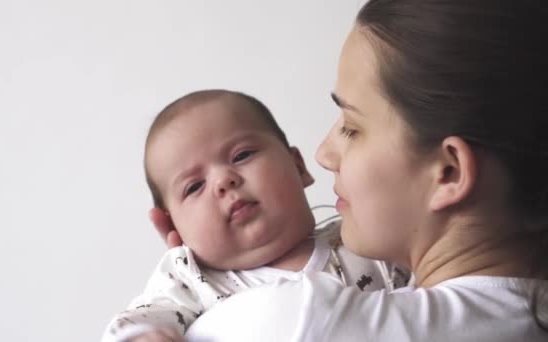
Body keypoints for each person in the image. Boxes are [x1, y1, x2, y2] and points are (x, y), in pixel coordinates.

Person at [150, 1, 548, 341]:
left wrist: (200, 287)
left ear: (448, 172)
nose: (323, 153)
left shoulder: (293, 322)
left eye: (351, 128)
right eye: (194, 187)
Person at [101, 89, 409, 342]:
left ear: (298, 166)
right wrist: (146, 337)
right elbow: (140, 318)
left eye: (242, 155)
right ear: (172, 227)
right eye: (194, 186)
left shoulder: (365, 239)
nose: (224, 181)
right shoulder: (191, 280)